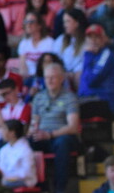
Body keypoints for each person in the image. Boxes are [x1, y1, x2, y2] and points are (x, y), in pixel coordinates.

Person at [30, 62, 80, 193]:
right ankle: (40, 186)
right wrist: (32, 131)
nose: (49, 80)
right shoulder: (38, 97)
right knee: (27, 143)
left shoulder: (70, 97)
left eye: (53, 77)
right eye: (47, 77)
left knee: (62, 143)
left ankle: (60, 188)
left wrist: (50, 135)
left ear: (61, 78)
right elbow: (34, 121)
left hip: (62, 136)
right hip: (42, 136)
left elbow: (73, 127)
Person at [0, 119, 37, 189]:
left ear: (12, 133)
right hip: (6, 179)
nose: (2, 132)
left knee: (1, 185)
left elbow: (27, 172)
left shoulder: (25, 149)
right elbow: (1, 168)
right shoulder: (3, 150)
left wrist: (9, 177)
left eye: (4, 129)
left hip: (25, 181)